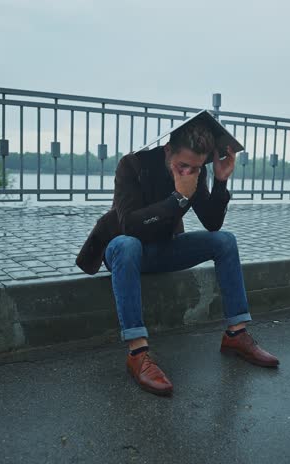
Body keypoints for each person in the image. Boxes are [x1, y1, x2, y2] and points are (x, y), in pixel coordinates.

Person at [76, 112, 279, 397]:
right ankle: (138, 353)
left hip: (163, 249)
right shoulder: (132, 165)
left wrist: (220, 182)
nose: (189, 173)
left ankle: (236, 334)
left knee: (225, 240)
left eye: (195, 168)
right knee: (127, 244)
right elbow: (130, 225)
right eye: (182, 166)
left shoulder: (197, 170)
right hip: (123, 252)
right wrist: (179, 198)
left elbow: (212, 223)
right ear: (168, 150)